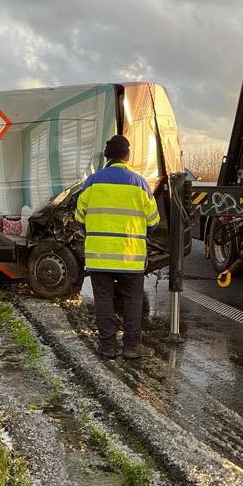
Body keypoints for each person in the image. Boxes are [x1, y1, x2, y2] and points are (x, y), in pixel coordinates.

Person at [74, 135, 160, 359]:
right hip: (130, 256)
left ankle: (107, 347)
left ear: (106, 157)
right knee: (133, 299)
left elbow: (79, 217)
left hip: (99, 256)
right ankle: (131, 347)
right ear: (127, 156)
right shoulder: (140, 183)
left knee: (103, 300)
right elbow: (153, 222)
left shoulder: (92, 182)